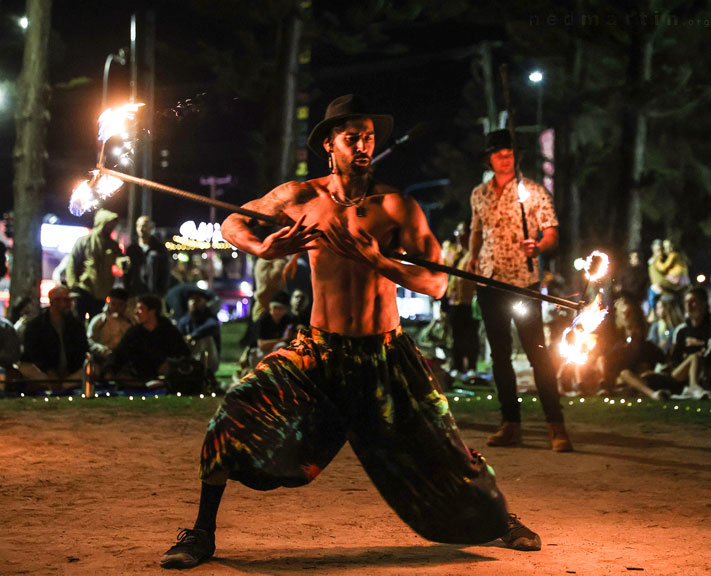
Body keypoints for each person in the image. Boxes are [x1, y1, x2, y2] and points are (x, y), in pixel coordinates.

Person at [160, 94, 540, 570]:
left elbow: (439, 283)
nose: (363, 145)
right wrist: (265, 247)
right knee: (233, 416)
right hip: (319, 353)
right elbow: (235, 221)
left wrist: (379, 261)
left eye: (369, 137)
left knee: (446, 447)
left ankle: (499, 520)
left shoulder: (396, 206)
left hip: (386, 354)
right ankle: (201, 534)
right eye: (352, 137)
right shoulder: (300, 198)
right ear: (329, 145)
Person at [467, 128, 572, 452]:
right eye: (498, 152)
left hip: (523, 283)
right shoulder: (479, 194)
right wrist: (472, 259)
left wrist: (537, 247)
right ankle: (510, 424)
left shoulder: (534, 192)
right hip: (489, 281)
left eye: (509, 151)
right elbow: (476, 231)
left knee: (537, 354)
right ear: (489, 158)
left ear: (517, 156)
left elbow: (551, 233)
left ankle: (557, 427)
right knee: (500, 356)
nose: (504, 157)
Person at [105, 294, 191, 387]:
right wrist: (109, 370)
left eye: (140, 309)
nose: (136, 313)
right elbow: (119, 354)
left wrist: (170, 364)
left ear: (152, 312)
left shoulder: (168, 331)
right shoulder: (134, 333)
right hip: (139, 378)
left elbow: (184, 355)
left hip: (165, 379)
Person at [18, 286, 88, 390]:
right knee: (25, 368)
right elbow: (33, 353)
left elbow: (82, 351)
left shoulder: (76, 325)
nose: (68, 304)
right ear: (53, 302)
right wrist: (49, 370)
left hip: (69, 372)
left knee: (92, 368)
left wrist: (70, 370)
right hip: (44, 371)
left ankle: (60, 386)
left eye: (69, 300)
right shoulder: (37, 325)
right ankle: (56, 385)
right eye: (65, 300)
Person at [65, 209, 124, 322]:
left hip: (101, 293)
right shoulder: (84, 241)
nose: (111, 227)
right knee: (78, 324)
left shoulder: (112, 245)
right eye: (109, 224)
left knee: (96, 323)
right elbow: (72, 262)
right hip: (84, 289)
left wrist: (122, 263)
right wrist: (73, 285)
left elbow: (119, 259)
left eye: (113, 224)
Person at [444, 221, 480, 379]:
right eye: (457, 232)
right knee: (456, 337)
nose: (459, 236)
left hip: (470, 302)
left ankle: (471, 367)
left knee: (471, 336)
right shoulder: (453, 252)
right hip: (454, 302)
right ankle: (457, 367)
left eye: (463, 232)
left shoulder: (473, 253)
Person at [86, 287, 133, 374]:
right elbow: (89, 340)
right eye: (113, 304)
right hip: (103, 357)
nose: (116, 308)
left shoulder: (131, 322)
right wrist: (101, 349)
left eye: (120, 305)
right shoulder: (99, 320)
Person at [124, 216, 170, 298]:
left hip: (154, 295)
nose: (141, 229)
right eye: (138, 226)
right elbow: (127, 273)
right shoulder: (131, 249)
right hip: (134, 294)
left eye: (144, 226)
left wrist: (161, 293)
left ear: (151, 227)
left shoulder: (160, 249)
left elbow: (165, 272)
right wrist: (128, 291)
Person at [177, 289, 221, 374]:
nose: (194, 302)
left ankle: (193, 365)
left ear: (205, 302)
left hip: (208, 361)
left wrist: (192, 336)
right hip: (189, 355)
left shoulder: (210, 319)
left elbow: (211, 326)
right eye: (192, 299)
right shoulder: (184, 321)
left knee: (206, 338)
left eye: (198, 300)